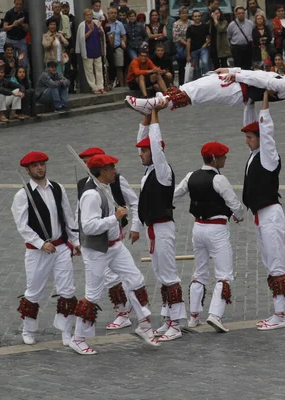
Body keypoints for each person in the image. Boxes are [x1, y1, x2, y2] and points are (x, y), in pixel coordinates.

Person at [73, 153, 160, 355]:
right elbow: (88, 226)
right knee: (93, 294)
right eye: (112, 167)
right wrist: (115, 218)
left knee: (136, 280)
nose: (115, 171)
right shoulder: (91, 195)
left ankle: (144, 325)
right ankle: (78, 338)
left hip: (115, 246)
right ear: (102, 171)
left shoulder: (106, 187)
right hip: (96, 250)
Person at [173, 142, 245, 333]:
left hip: (198, 228)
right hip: (216, 229)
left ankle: (194, 316)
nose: (225, 158)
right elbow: (235, 204)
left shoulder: (191, 176)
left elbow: (174, 195)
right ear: (214, 158)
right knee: (224, 274)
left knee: (200, 271)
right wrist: (239, 214)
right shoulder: (219, 180)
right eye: (223, 156)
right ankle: (215, 315)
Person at [11, 151, 80, 346]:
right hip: (37, 252)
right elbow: (22, 226)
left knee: (67, 290)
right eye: (35, 166)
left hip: (61, 248)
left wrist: (75, 241)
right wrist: (40, 243)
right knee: (34, 291)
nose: (40, 168)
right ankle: (28, 329)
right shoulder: (23, 194)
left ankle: (66, 331)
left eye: (42, 164)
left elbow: (68, 217)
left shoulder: (57, 188)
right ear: (28, 170)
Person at [76, 147, 141, 331]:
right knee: (97, 288)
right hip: (96, 243)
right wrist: (76, 239)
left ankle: (128, 315)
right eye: (85, 161)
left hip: (114, 238)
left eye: (89, 160)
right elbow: (81, 216)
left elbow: (134, 202)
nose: (86, 164)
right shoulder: (86, 186)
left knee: (127, 278)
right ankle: (80, 334)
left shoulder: (116, 180)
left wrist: (134, 226)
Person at [136, 107, 187, 342]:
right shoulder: (149, 172)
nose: (141, 154)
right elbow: (144, 138)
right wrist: (146, 115)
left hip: (163, 228)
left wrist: (156, 114)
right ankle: (168, 319)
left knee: (169, 275)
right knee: (160, 274)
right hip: (153, 229)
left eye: (145, 151)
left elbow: (154, 143)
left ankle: (176, 322)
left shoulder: (163, 171)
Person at [241, 91, 285, 331]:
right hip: (260, 216)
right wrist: (249, 101)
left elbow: (267, 131)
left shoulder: (269, 156)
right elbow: (253, 127)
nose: (247, 140)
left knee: (276, 263)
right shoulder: (254, 155)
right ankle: (276, 311)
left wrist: (266, 101)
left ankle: (279, 314)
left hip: (270, 214)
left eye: (250, 137)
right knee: (269, 263)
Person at [125, 65, 285, 114]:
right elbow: (256, 74)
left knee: (198, 91)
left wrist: (235, 75)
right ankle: (155, 102)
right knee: (194, 86)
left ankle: (153, 103)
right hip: (237, 84)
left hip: (239, 89)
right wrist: (231, 71)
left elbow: (260, 80)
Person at [76, 9, 105, 94]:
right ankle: (94, 87)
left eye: (90, 14)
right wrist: (90, 31)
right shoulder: (82, 25)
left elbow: (101, 35)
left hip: (97, 49)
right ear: (84, 16)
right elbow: (82, 39)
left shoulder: (96, 23)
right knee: (89, 71)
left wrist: (100, 30)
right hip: (87, 50)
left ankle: (100, 86)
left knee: (99, 69)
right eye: (87, 15)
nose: (89, 16)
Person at [3, 0, 29, 68]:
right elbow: (5, 28)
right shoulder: (9, 13)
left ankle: (24, 76)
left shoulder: (25, 13)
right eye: (17, 4)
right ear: (14, 3)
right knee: (10, 60)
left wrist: (22, 24)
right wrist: (13, 25)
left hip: (21, 39)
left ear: (22, 4)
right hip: (10, 39)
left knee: (24, 61)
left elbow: (27, 29)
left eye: (20, 4)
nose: (18, 6)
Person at [105, 7, 127, 87]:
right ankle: (108, 84)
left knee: (119, 66)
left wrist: (123, 42)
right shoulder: (105, 24)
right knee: (107, 67)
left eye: (115, 13)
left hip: (117, 47)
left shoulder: (119, 24)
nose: (113, 15)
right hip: (107, 49)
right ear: (108, 14)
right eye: (112, 13)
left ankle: (121, 85)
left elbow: (124, 35)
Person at [186, 10, 211, 80]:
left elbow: (209, 38)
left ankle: (207, 79)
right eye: (195, 16)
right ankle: (199, 81)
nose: (197, 18)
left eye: (199, 16)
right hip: (193, 50)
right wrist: (188, 55)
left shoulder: (205, 26)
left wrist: (205, 44)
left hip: (203, 49)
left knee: (205, 63)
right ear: (192, 18)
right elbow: (188, 41)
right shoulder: (190, 28)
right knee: (196, 68)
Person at [173, 6, 192, 85]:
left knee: (191, 68)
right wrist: (186, 43)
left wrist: (189, 44)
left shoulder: (191, 23)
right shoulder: (176, 24)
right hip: (181, 46)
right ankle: (181, 85)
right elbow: (176, 37)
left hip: (191, 46)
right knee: (181, 68)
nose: (184, 15)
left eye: (186, 13)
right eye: (182, 13)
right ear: (180, 14)